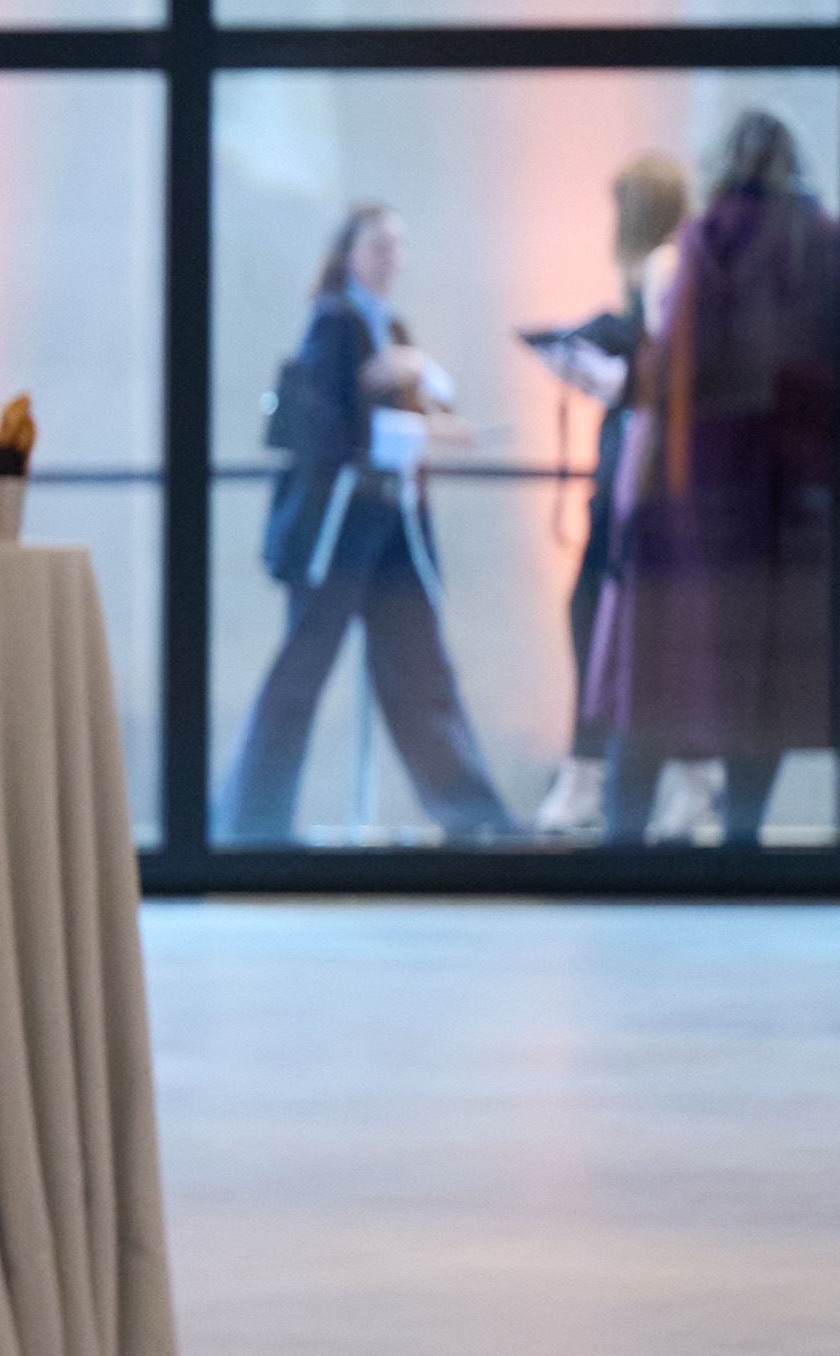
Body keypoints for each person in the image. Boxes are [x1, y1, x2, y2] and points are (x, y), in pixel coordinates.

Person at [228, 200, 520, 845]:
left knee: (421, 676)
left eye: (399, 245)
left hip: (391, 527)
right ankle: (249, 825)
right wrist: (398, 415)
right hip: (340, 530)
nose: (391, 258)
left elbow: (420, 412)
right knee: (300, 674)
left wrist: (427, 400)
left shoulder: (395, 330)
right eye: (378, 245)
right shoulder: (335, 323)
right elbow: (332, 429)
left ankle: (477, 822)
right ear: (349, 253)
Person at [599, 112, 840, 853]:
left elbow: (680, 364)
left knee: (657, 669)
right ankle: (741, 833)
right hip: (795, 489)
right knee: (765, 675)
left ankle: (624, 839)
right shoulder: (825, 240)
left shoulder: (709, 239)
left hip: (699, 485)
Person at [518, 148, 693, 834]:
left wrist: (609, 372)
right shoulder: (668, 267)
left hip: (639, 472)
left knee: (603, 617)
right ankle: (634, 775)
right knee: (603, 617)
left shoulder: (662, 266)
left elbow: (661, 365)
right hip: (630, 466)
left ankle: (606, 777)